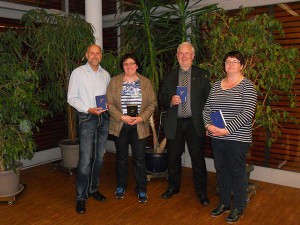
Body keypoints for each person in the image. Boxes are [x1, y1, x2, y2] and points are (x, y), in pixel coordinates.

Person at [203, 51, 257, 223]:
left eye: (235, 61)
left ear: (242, 65)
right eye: (227, 61)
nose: (231, 64)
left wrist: (226, 130)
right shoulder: (217, 85)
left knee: (237, 172)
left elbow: (247, 113)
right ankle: (224, 203)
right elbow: (207, 110)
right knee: (222, 171)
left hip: (237, 139)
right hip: (217, 137)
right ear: (224, 65)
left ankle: (239, 207)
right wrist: (208, 126)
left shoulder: (247, 86)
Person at [158, 42, 211, 205]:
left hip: (195, 123)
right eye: (181, 53)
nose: (184, 56)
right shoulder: (169, 76)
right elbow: (161, 98)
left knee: (198, 159)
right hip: (176, 123)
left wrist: (210, 124)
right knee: (173, 158)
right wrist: (170, 100)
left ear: (193, 56)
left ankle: (202, 193)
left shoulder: (202, 75)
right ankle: (173, 187)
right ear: (177, 56)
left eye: (187, 53)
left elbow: (210, 101)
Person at [106, 53, 157, 203]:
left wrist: (141, 118)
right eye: (125, 64)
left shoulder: (146, 82)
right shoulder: (115, 81)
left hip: (139, 125)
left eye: (132, 63)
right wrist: (122, 117)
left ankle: (141, 188)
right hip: (121, 124)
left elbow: (152, 104)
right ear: (123, 66)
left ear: (137, 65)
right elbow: (109, 103)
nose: (129, 66)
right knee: (121, 157)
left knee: (139, 159)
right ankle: (121, 186)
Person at [67, 44, 110, 214]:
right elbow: (71, 98)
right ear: (86, 55)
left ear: (101, 55)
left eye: (97, 53)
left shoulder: (105, 75)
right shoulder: (78, 73)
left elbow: (107, 97)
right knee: (85, 160)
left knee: (99, 158)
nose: (94, 56)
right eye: (91, 53)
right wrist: (88, 109)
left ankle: (93, 189)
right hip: (87, 118)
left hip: (103, 119)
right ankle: (81, 197)